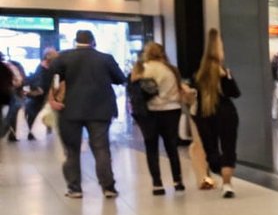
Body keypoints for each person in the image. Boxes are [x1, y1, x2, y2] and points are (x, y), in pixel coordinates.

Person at [50, 30, 126, 198]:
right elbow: (121, 78)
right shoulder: (105, 58)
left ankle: (75, 188)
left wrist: (55, 97)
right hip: (100, 109)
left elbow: (55, 80)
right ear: (93, 41)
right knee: (101, 149)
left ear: (75, 41)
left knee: (72, 150)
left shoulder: (63, 57)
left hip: (70, 109)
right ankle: (108, 187)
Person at [129, 42, 187, 195]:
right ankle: (177, 181)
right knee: (171, 147)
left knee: (151, 147)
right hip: (171, 110)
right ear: (162, 53)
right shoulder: (171, 69)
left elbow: (135, 88)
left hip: (150, 113)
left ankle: (157, 184)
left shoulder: (143, 69)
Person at [191, 28, 241, 198]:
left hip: (205, 115)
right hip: (226, 113)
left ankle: (223, 177)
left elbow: (194, 98)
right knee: (229, 148)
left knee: (211, 151)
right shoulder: (223, 72)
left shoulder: (198, 75)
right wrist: (227, 78)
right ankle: (227, 183)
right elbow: (235, 93)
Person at [22, 50, 57, 139]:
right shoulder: (42, 68)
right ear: (48, 58)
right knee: (33, 112)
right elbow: (39, 82)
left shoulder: (46, 67)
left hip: (41, 94)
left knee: (35, 112)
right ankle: (31, 133)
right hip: (39, 95)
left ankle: (35, 131)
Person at [2, 54, 25, 141]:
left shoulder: (9, 66)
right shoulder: (8, 66)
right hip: (9, 89)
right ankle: (7, 130)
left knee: (16, 107)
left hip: (11, 89)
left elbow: (18, 79)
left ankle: (11, 132)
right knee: (16, 106)